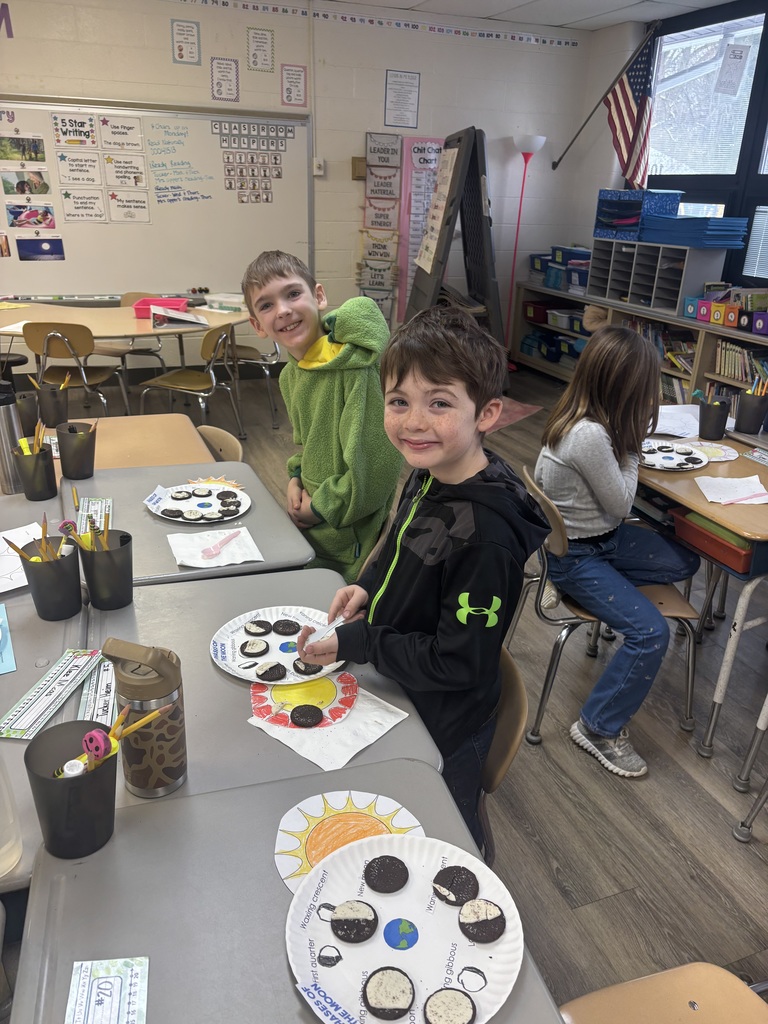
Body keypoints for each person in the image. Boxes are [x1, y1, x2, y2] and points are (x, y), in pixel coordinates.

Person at [297, 305, 550, 845]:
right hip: (405, 688)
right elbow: (401, 542)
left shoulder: (485, 538)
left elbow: (458, 662)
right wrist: (370, 585)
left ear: (487, 413)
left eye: (439, 403)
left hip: (444, 724)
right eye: (399, 401)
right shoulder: (430, 468)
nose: (413, 421)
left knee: (442, 836)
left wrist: (363, 640)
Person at [534, 324, 701, 779]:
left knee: (686, 561)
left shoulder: (582, 415)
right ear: (625, 388)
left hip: (597, 539)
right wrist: (632, 449)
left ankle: (610, 596)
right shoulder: (591, 435)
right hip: (580, 554)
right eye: (647, 390)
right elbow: (623, 503)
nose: (651, 399)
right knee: (651, 634)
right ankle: (598, 727)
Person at [241, 250, 403, 582]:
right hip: (314, 528)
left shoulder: (355, 371)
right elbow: (307, 446)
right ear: (257, 325)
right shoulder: (291, 375)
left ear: (319, 296)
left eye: (292, 293)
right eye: (267, 304)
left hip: (348, 544)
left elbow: (374, 470)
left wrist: (318, 508)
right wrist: (295, 480)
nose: (283, 310)